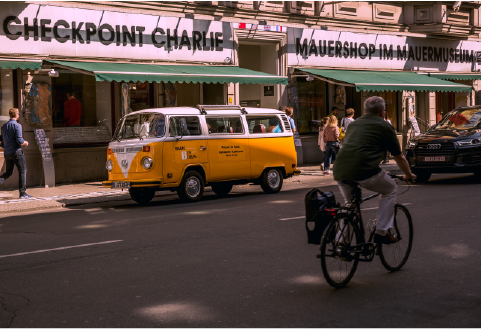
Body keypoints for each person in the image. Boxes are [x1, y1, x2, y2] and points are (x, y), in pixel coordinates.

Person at [333, 96, 416, 244]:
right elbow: (399, 157)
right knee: (390, 189)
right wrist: (408, 174)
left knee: (349, 204)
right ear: (382, 112)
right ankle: (381, 231)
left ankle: (341, 243)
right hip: (365, 170)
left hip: (340, 170)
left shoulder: (354, 124)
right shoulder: (384, 126)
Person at [0, 108, 32, 199]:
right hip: (16, 152)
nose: (19, 114)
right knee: (22, 171)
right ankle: (22, 193)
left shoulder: (4, 126)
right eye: (18, 113)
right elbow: (19, 140)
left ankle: (22, 193)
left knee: (8, 172)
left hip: (7, 153)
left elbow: (2, 139)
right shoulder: (17, 126)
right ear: (16, 115)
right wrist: (25, 142)